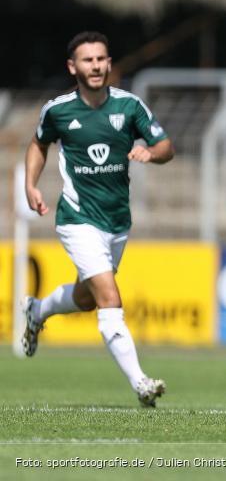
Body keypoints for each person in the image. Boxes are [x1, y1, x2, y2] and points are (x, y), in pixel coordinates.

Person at [22, 31, 174, 407]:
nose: (96, 66)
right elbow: (39, 143)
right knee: (109, 297)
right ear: (73, 67)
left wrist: (151, 154)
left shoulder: (129, 107)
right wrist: (30, 185)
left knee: (86, 299)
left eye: (102, 59)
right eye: (88, 60)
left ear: (110, 63)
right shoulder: (58, 110)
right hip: (77, 219)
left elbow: (166, 146)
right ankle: (141, 383)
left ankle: (37, 310)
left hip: (117, 221)